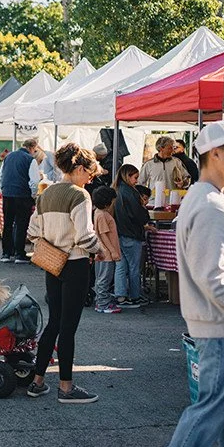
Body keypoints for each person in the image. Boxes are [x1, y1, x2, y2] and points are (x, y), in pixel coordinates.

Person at [161, 120, 224, 447]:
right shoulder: (210, 204)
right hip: (222, 326)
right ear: (215, 153)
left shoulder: (205, 198)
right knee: (214, 405)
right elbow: (214, 278)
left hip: (219, 324)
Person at [26, 143, 104, 403]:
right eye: (90, 174)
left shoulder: (45, 194)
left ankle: (37, 381)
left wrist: (53, 242)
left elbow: (32, 233)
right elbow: (85, 236)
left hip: (52, 264)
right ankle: (66, 387)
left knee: (54, 323)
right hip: (75, 263)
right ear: (80, 168)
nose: (90, 179)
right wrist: (100, 249)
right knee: (68, 328)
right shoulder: (79, 195)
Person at [112, 164, 153, 309]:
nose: (136, 181)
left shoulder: (116, 190)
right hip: (131, 234)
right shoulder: (131, 193)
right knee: (134, 268)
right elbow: (140, 216)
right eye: (135, 177)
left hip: (119, 234)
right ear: (127, 176)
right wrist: (144, 211)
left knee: (121, 266)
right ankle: (135, 296)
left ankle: (121, 296)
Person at [0, 139, 40, 264]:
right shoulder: (30, 159)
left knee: (8, 224)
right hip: (22, 194)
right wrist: (33, 194)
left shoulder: (8, 157)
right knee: (21, 224)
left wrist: (3, 190)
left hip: (7, 194)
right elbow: (34, 180)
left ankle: (6, 253)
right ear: (32, 148)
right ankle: (19, 254)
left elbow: (0, 177)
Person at [92, 186, 122, 314]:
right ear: (107, 202)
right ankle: (103, 303)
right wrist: (113, 251)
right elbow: (104, 234)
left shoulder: (97, 212)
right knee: (104, 278)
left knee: (100, 278)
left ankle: (101, 300)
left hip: (101, 251)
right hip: (106, 253)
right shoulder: (103, 215)